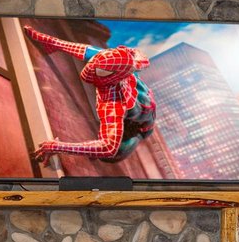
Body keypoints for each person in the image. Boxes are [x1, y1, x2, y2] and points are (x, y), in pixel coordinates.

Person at [24, 25, 156, 162]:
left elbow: (108, 148)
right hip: (142, 97)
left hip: (140, 128)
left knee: (113, 155)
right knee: (102, 55)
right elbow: (87, 51)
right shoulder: (127, 63)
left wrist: (56, 147)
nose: (91, 66)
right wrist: (51, 42)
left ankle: (125, 138)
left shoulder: (114, 103)